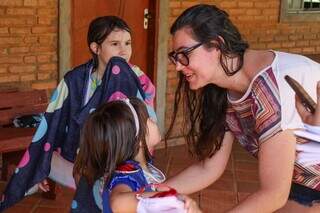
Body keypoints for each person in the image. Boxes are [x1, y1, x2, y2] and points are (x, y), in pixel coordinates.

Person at [165, 4, 320, 212]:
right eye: (175, 57)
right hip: (303, 181)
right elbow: (208, 168)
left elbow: (273, 193)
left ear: (216, 44)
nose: (177, 66)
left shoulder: (275, 86)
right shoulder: (223, 90)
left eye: (184, 54)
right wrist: (151, 191)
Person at [0, 16, 156, 211]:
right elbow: (53, 122)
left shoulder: (137, 78)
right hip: (84, 156)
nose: (124, 50)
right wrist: (41, 170)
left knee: (115, 200)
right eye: (115, 44)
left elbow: (149, 125)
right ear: (95, 47)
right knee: (88, 199)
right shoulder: (75, 79)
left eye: (128, 43)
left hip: (122, 157)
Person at [71, 97, 201, 213]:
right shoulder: (125, 174)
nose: (153, 120)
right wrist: (167, 200)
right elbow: (118, 202)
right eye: (148, 119)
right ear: (138, 140)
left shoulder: (139, 166)